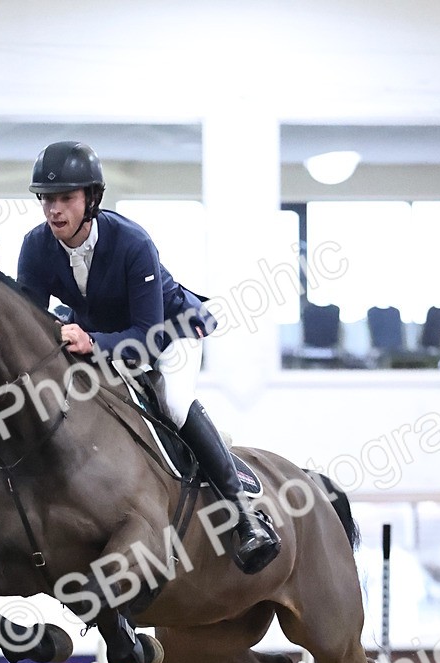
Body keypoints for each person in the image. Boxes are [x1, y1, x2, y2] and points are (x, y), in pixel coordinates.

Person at [17, 140, 280, 575]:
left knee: (172, 403)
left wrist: (93, 345)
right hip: (95, 333)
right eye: (47, 199)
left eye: (66, 198)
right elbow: (30, 323)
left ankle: (246, 516)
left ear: (91, 199)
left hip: (167, 331)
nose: (54, 210)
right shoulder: (36, 247)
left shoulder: (132, 242)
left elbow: (147, 339)